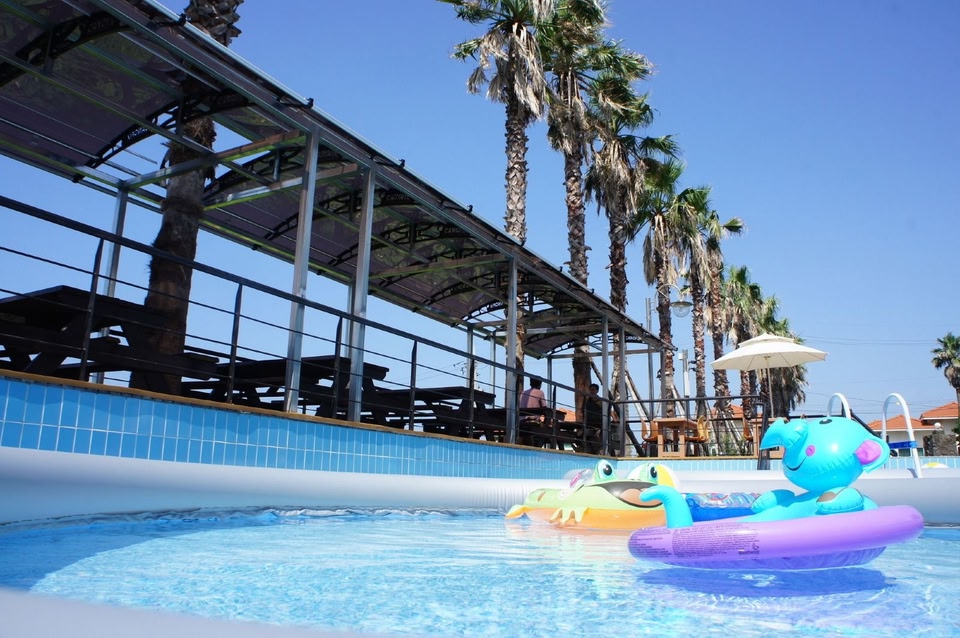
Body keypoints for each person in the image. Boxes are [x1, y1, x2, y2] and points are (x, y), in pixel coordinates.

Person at [519, 378, 548, 446]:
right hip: (533, 422)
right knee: (547, 432)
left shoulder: (523, 393)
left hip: (522, 422)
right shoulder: (540, 393)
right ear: (540, 384)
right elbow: (544, 408)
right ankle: (538, 447)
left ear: (530, 383)